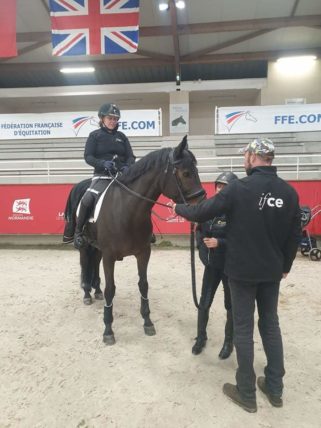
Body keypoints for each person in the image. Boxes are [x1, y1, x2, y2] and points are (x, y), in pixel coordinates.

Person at [174, 138, 301, 413]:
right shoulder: (288, 193)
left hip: (242, 272)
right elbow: (294, 235)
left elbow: (201, 211)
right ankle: (275, 388)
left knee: (243, 329)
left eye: (246, 155)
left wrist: (177, 208)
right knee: (270, 325)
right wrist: (285, 266)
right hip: (271, 272)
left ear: (254, 157)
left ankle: (246, 392)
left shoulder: (238, 189)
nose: (245, 159)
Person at [74, 103, 135, 249]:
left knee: (138, 196)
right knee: (88, 199)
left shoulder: (122, 137)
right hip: (102, 176)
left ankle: (143, 231)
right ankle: (78, 232)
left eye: (115, 118)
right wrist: (101, 163)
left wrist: (128, 166)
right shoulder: (94, 136)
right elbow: (88, 156)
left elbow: (131, 156)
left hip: (121, 177)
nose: (113, 121)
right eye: (110, 118)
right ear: (102, 119)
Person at [192, 171, 238, 359]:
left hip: (231, 267)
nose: (220, 189)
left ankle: (229, 342)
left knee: (231, 306)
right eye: (219, 185)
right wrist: (204, 252)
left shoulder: (238, 212)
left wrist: (221, 243)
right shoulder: (208, 208)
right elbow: (200, 233)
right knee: (204, 303)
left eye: (225, 187)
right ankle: (201, 338)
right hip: (212, 266)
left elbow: (243, 239)